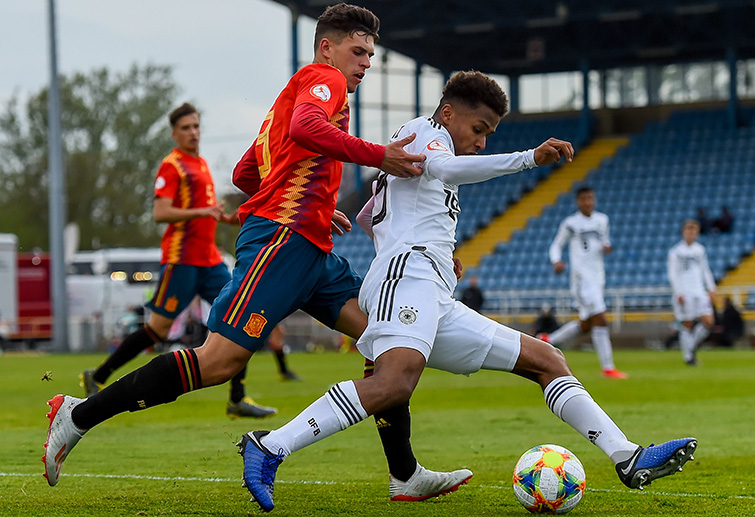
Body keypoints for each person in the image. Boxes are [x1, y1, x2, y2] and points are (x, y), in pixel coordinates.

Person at [44, 4, 471, 502]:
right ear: (327, 47)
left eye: (371, 54)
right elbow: (307, 132)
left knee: (387, 340)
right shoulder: (322, 78)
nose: (366, 62)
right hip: (280, 242)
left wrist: (313, 204)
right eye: (358, 51)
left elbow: (247, 173)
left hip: (308, 246)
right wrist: (379, 156)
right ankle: (76, 415)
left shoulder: (288, 98)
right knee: (220, 361)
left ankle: (404, 474)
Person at [237, 70, 697, 513]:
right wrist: (526, 158)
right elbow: (444, 167)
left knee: (547, 359)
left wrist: (434, 248)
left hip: (425, 282)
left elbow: (369, 216)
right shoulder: (426, 131)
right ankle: (270, 445)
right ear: (448, 112)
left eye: (489, 133)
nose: (481, 141)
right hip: (407, 276)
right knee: (392, 382)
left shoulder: (416, 143)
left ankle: (627, 456)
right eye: (479, 129)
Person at [78, 103, 276, 419]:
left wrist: (221, 218)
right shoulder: (172, 166)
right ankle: (98, 376)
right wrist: (201, 212)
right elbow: (160, 212)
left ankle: (237, 398)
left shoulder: (201, 164)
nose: (193, 132)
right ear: (174, 133)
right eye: (186, 128)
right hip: (181, 261)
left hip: (210, 261)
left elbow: (202, 212)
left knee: (242, 316)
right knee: (157, 330)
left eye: (196, 126)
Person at [545, 186, 627, 379]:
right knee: (601, 318)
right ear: (578, 201)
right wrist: (556, 260)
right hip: (581, 279)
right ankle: (608, 367)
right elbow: (557, 245)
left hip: (598, 277)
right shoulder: (571, 223)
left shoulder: (602, 220)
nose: (588, 202)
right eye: (584, 199)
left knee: (587, 325)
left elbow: (604, 242)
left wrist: (606, 247)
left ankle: (548, 339)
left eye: (590, 198)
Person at [668, 219, 716, 365]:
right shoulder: (676, 251)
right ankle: (688, 357)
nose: (691, 233)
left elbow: (705, 270)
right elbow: (672, 273)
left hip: (699, 290)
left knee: (709, 322)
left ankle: (691, 348)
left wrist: (711, 288)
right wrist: (678, 292)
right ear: (683, 232)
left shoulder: (700, 250)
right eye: (689, 230)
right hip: (684, 291)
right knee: (687, 323)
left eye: (694, 231)